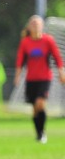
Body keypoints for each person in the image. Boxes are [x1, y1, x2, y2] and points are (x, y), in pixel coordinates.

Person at [14, 15, 65, 143]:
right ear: (29, 27)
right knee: (35, 108)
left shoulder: (48, 40)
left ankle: (42, 133)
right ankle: (39, 133)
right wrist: (17, 76)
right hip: (31, 79)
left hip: (45, 78)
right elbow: (20, 60)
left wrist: (61, 72)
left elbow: (57, 58)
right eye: (33, 24)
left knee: (40, 103)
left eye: (37, 23)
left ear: (42, 26)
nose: (35, 26)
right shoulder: (25, 42)